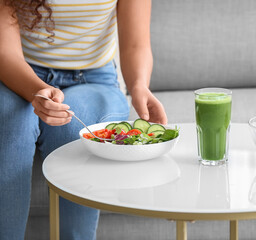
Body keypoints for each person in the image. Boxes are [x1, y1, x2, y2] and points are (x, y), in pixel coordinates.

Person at [0, 0, 167, 239]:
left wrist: (139, 86)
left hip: (93, 78)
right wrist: (36, 90)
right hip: (19, 71)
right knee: (11, 127)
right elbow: (5, 51)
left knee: (73, 134)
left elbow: (135, 44)